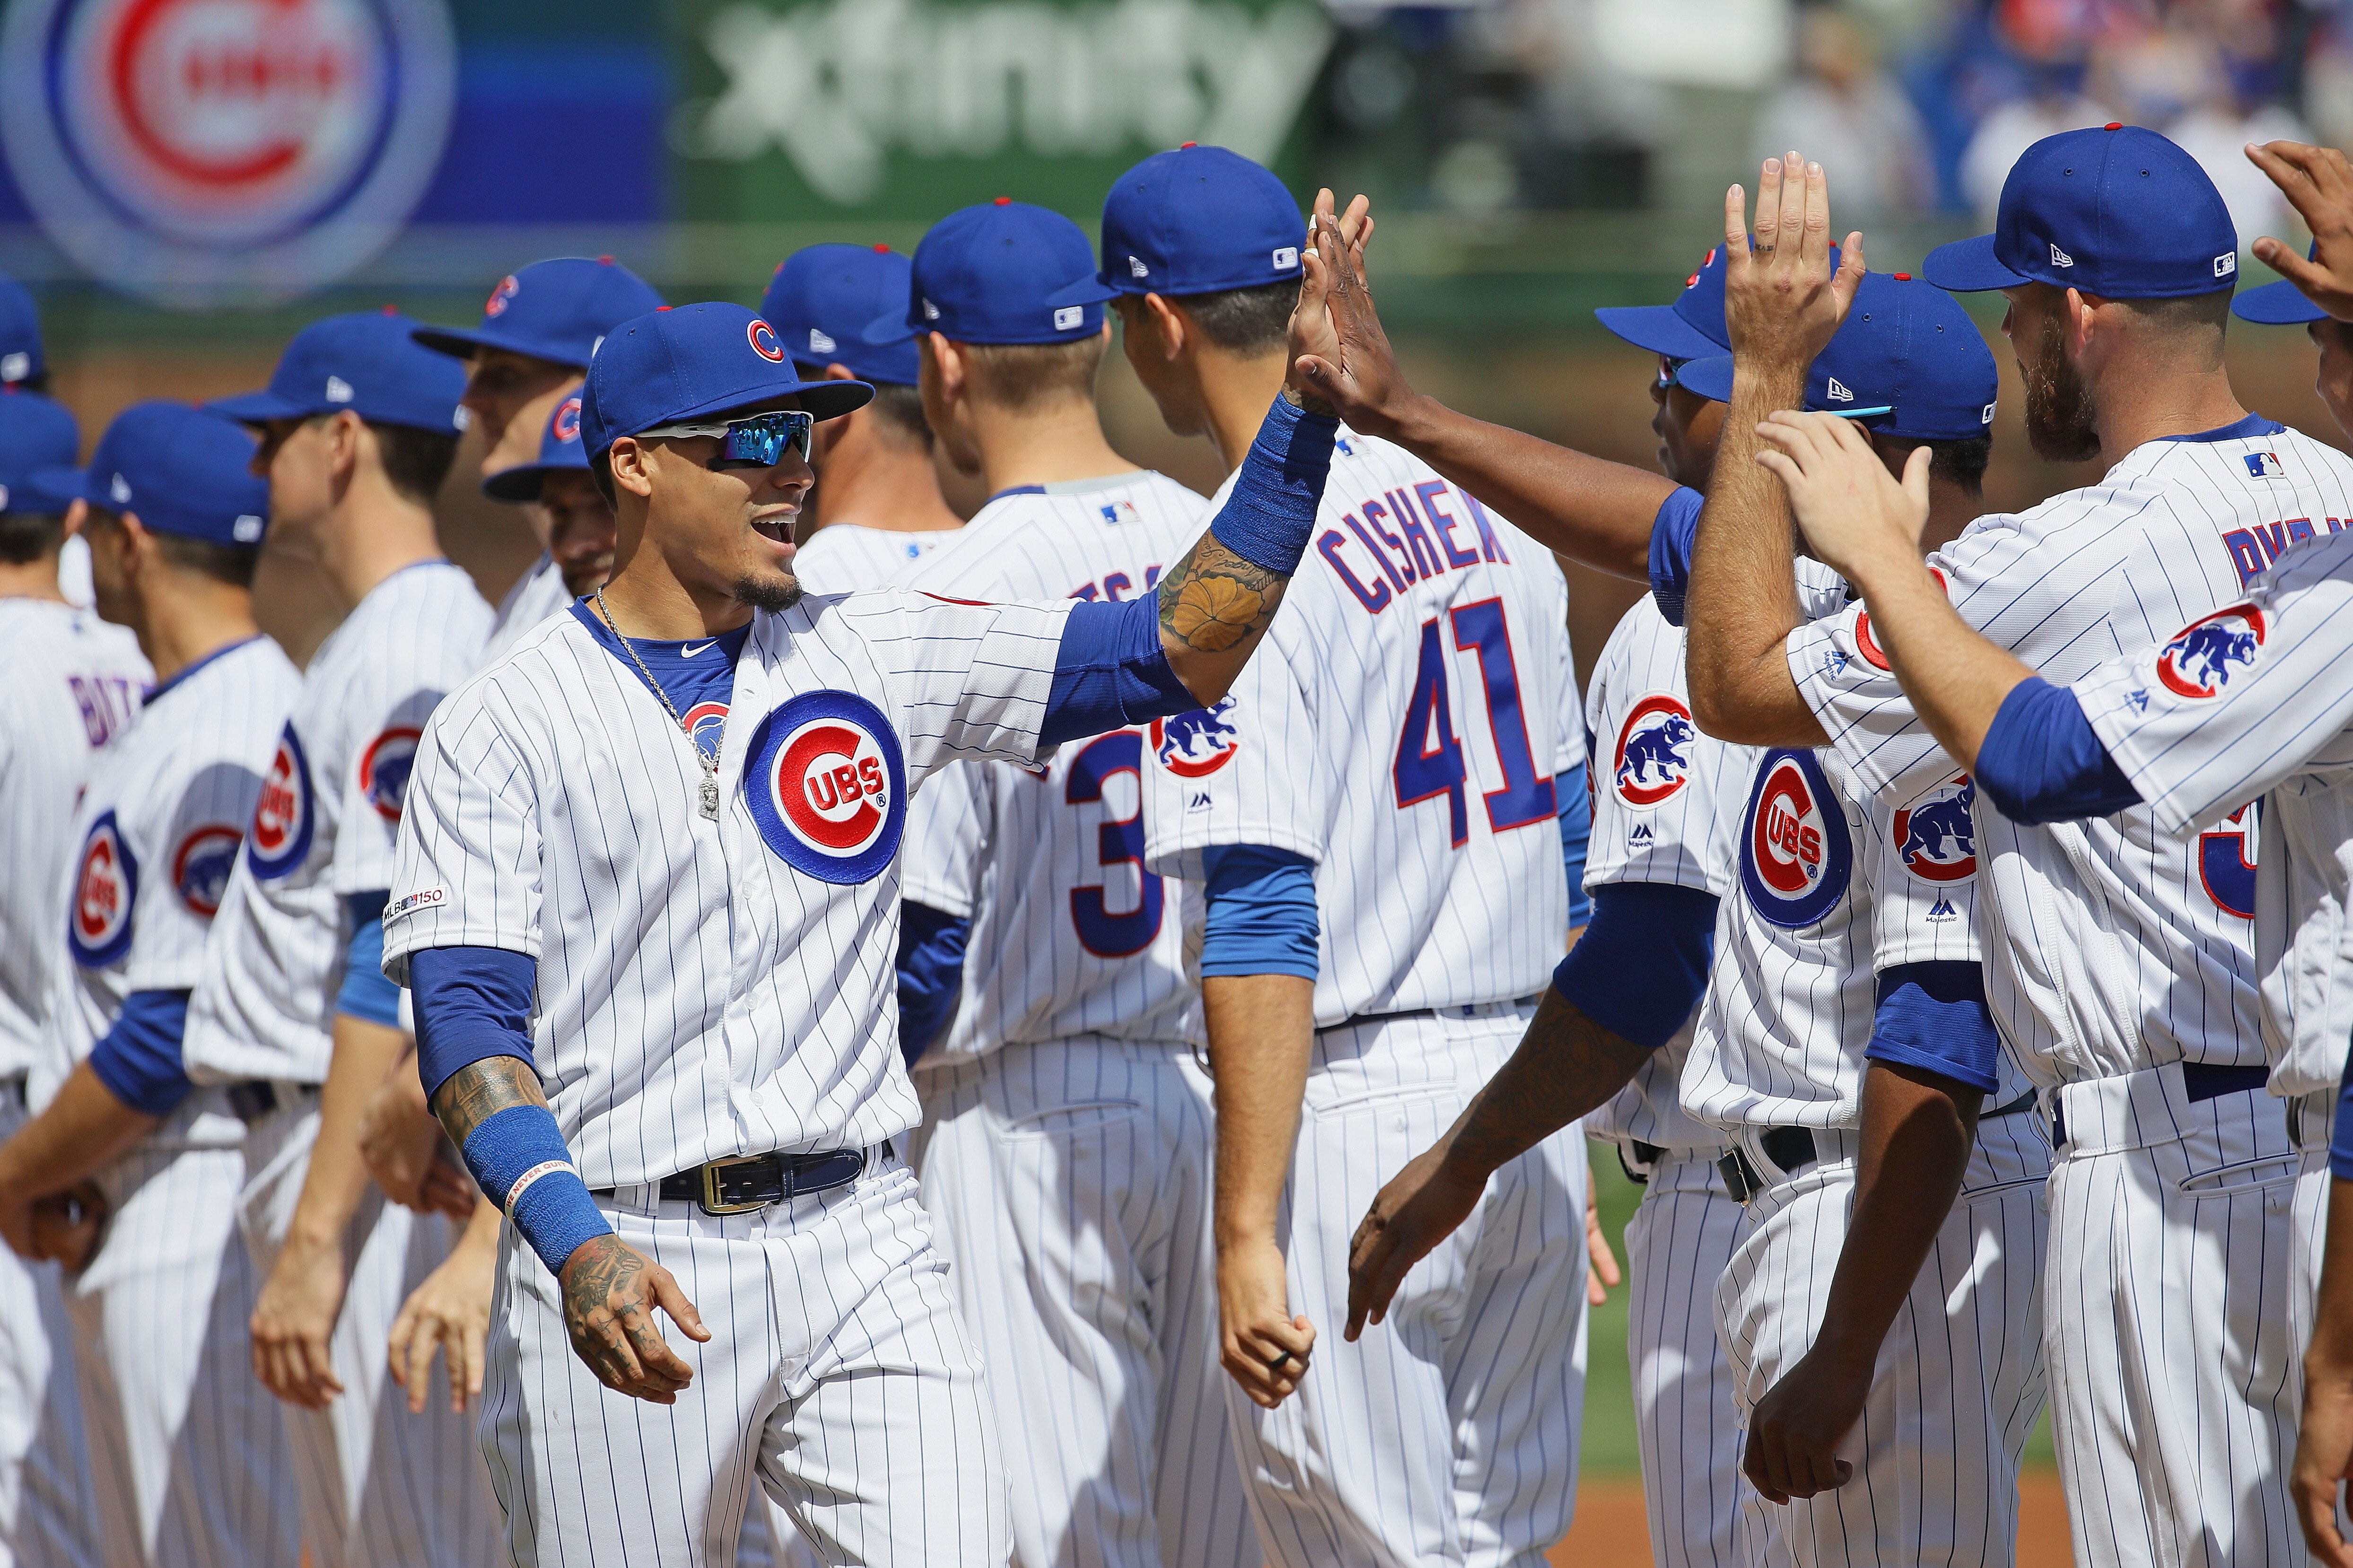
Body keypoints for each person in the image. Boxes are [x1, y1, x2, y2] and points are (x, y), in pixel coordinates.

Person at [377, 273, 1345, 1566]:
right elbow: (465, 1019)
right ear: (636, 468)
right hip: (631, 1238)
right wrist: (569, 1239)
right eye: (753, 441)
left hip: (865, 1239)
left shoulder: (871, 647)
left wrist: (1303, 416)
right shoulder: (501, 719)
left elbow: (1177, 646)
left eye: (804, 433)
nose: (792, 469)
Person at [1682, 131, 2353, 1567]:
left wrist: (1758, 384)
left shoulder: (2052, 559)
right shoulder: (2336, 509)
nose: (2007, 342)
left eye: (2018, 309)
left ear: (2081, 317)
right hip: (2306, 1154)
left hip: (2170, 1169)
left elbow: (1736, 677)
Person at [1116, 158, 1590, 1568]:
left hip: (1358, 1126)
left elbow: (1262, 912)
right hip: (1517, 1107)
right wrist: (1522, 1122)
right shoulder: (1489, 509)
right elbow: (1570, 854)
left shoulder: (1235, 580)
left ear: (1155, 326)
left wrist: (1245, 1225)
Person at [872, 190, 1241, 1568]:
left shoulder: (958, 585)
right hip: (1210, 1099)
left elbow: (924, 939)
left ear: (943, 367)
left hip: (1019, 1125)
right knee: (1211, 1536)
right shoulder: (1216, 543)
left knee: (1049, 1543)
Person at [183, 313, 500, 1568]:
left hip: (370, 1170)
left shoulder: (411, 644)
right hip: (338, 1153)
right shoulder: (378, 635)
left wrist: (321, 1238)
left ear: (343, 437)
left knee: (413, 1541)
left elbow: (400, 950)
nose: (260, 470)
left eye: (274, 438)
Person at [0, 403, 301, 1568]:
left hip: (194, 1185)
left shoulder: (235, 722)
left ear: (126, 540)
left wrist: (22, 1170)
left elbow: (172, 1026)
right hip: (133, 1181)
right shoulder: (178, 703)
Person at [0, 387, 141, 1568]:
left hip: (17, 1121)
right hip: (117, 1110)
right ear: (77, 522)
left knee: (28, 1483)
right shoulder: (141, 661)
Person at [413, 256, 664, 662]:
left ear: (599, 384)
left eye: (507, 376)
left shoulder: (627, 583)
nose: (472, 399)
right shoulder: (546, 581)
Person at [761, 245, 962, 590]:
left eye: (775, 393)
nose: (763, 412)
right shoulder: (1009, 561)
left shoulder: (788, 595)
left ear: (834, 396)